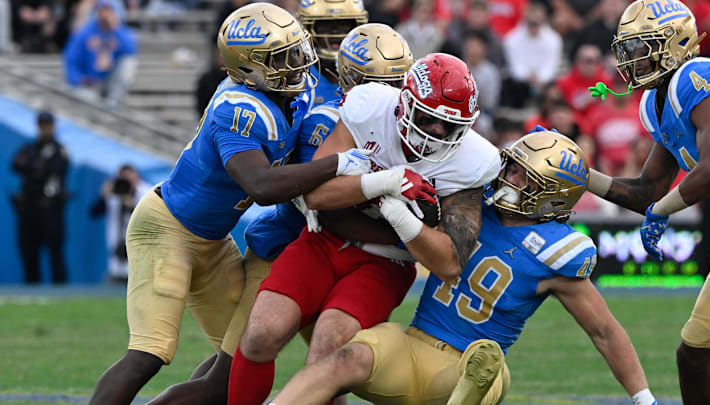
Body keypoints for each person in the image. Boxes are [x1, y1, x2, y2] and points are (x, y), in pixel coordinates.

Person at [87, 4, 374, 405]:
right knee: (150, 354)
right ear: (250, 67)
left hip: (213, 240)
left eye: (296, 52)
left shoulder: (295, 88)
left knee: (234, 364)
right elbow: (260, 185)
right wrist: (338, 163)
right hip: (167, 229)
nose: (297, 65)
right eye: (282, 58)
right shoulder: (237, 107)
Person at [267, 130, 660, 405]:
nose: (508, 175)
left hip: (462, 365)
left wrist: (644, 399)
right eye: (511, 166)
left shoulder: (558, 251)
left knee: (487, 367)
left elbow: (605, 331)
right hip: (413, 347)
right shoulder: (470, 205)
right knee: (344, 357)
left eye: (522, 174)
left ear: (549, 197)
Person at [146, 22, 414, 405]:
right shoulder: (325, 119)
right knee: (242, 360)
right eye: (378, 83)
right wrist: (406, 234)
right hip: (295, 244)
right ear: (351, 81)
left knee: (328, 363)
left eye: (399, 81)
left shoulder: (427, 125)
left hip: (370, 260)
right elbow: (318, 202)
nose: (392, 94)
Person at [227, 53, 502, 405]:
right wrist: (386, 182)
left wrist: (393, 208)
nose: (436, 131)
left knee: (328, 347)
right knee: (260, 332)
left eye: (448, 126)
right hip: (324, 241)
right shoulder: (370, 107)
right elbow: (315, 196)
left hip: (387, 263)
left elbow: (449, 263)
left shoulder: (472, 161)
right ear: (404, 103)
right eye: (428, 118)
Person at [585, 1, 710, 404]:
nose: (631, 60)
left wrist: (661, 212)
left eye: (640, 47)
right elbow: (648, 191)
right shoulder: (655, 103)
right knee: (693, 357)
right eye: (627, 49)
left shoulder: (697, 76)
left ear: (675, 43)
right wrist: (581, 175)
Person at [11, 110, 69, 285]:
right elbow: (16, 165)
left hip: (50, 209)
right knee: (29, 252)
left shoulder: (59, 149)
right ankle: (31, 291)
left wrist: (35, 167)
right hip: (29, 209)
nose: (44, 129)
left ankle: (60, 295)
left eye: (48, 125)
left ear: (53, 126)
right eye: (42, 126)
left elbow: (55, 168)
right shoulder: (30, 148)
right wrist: (36, 166)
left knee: (55, 254)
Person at [63, 0, 138, 109]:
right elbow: (71, 60)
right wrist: (79, 80)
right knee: (88, 98)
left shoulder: (121, 33)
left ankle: (113, 101)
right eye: (103, 10)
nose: (105, 14)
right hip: (88, 84)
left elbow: (131, 50)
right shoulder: (84, 33)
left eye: (109, 11)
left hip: (109, 83)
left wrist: (116, 28)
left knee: (129, 63)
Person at [298, 0, 368, 104]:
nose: (335, 32)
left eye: (343, 24)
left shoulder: (370, 72)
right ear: (309, 27)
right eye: (325, 24)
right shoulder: (298, 75)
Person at [89, 164, 151, 282]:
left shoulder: (146, 192)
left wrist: (131, 204)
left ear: (137, 178)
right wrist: (103, 196)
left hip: (141, 259)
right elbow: (93, 213)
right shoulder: (114, 193)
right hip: (116, 262)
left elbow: (149, 219)